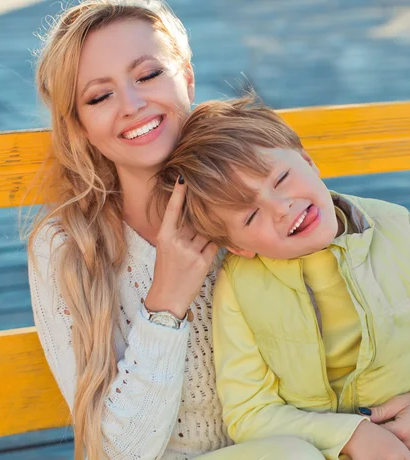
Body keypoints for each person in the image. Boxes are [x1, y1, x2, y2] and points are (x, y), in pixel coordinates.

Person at [26, 0, 326, 458]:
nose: (132, 104)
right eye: (99, 96)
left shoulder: (266, 195)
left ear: (186, 77)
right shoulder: (68, 248)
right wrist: (166, 303)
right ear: (80, 126)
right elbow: (118, 451)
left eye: (147, 75)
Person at [152, 96, 410, 459]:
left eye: (282, 178)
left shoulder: (408, 238)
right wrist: (352, 436)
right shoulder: (240, 288)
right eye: (249, 217)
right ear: (238, 246)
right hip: (326, 449)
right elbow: (249, 413)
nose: (281, 207)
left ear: (307, 160)